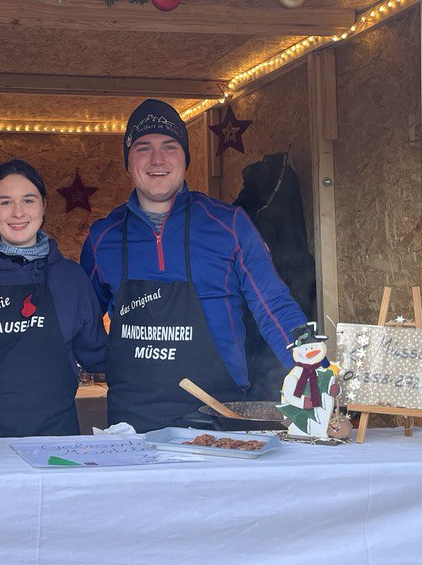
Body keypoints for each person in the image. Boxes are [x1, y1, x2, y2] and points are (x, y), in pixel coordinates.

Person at [80, 99, 309, 432]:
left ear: (185, 158)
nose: (157, 159)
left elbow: (274, 306)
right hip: (131, 423)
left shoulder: (229, 225)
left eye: (170, 147)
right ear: (128, 160)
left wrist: (312, 369)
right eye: (143, 148)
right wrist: (111, 361)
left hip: (220, 418)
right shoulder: (104, 237)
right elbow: (82, 319)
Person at [0, 159, 106, 438]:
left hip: (56, 441)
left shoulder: (71, 280)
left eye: (28, 200)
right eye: (5, 202)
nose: (18, 212)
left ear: (43, 206)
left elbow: (97, 353)